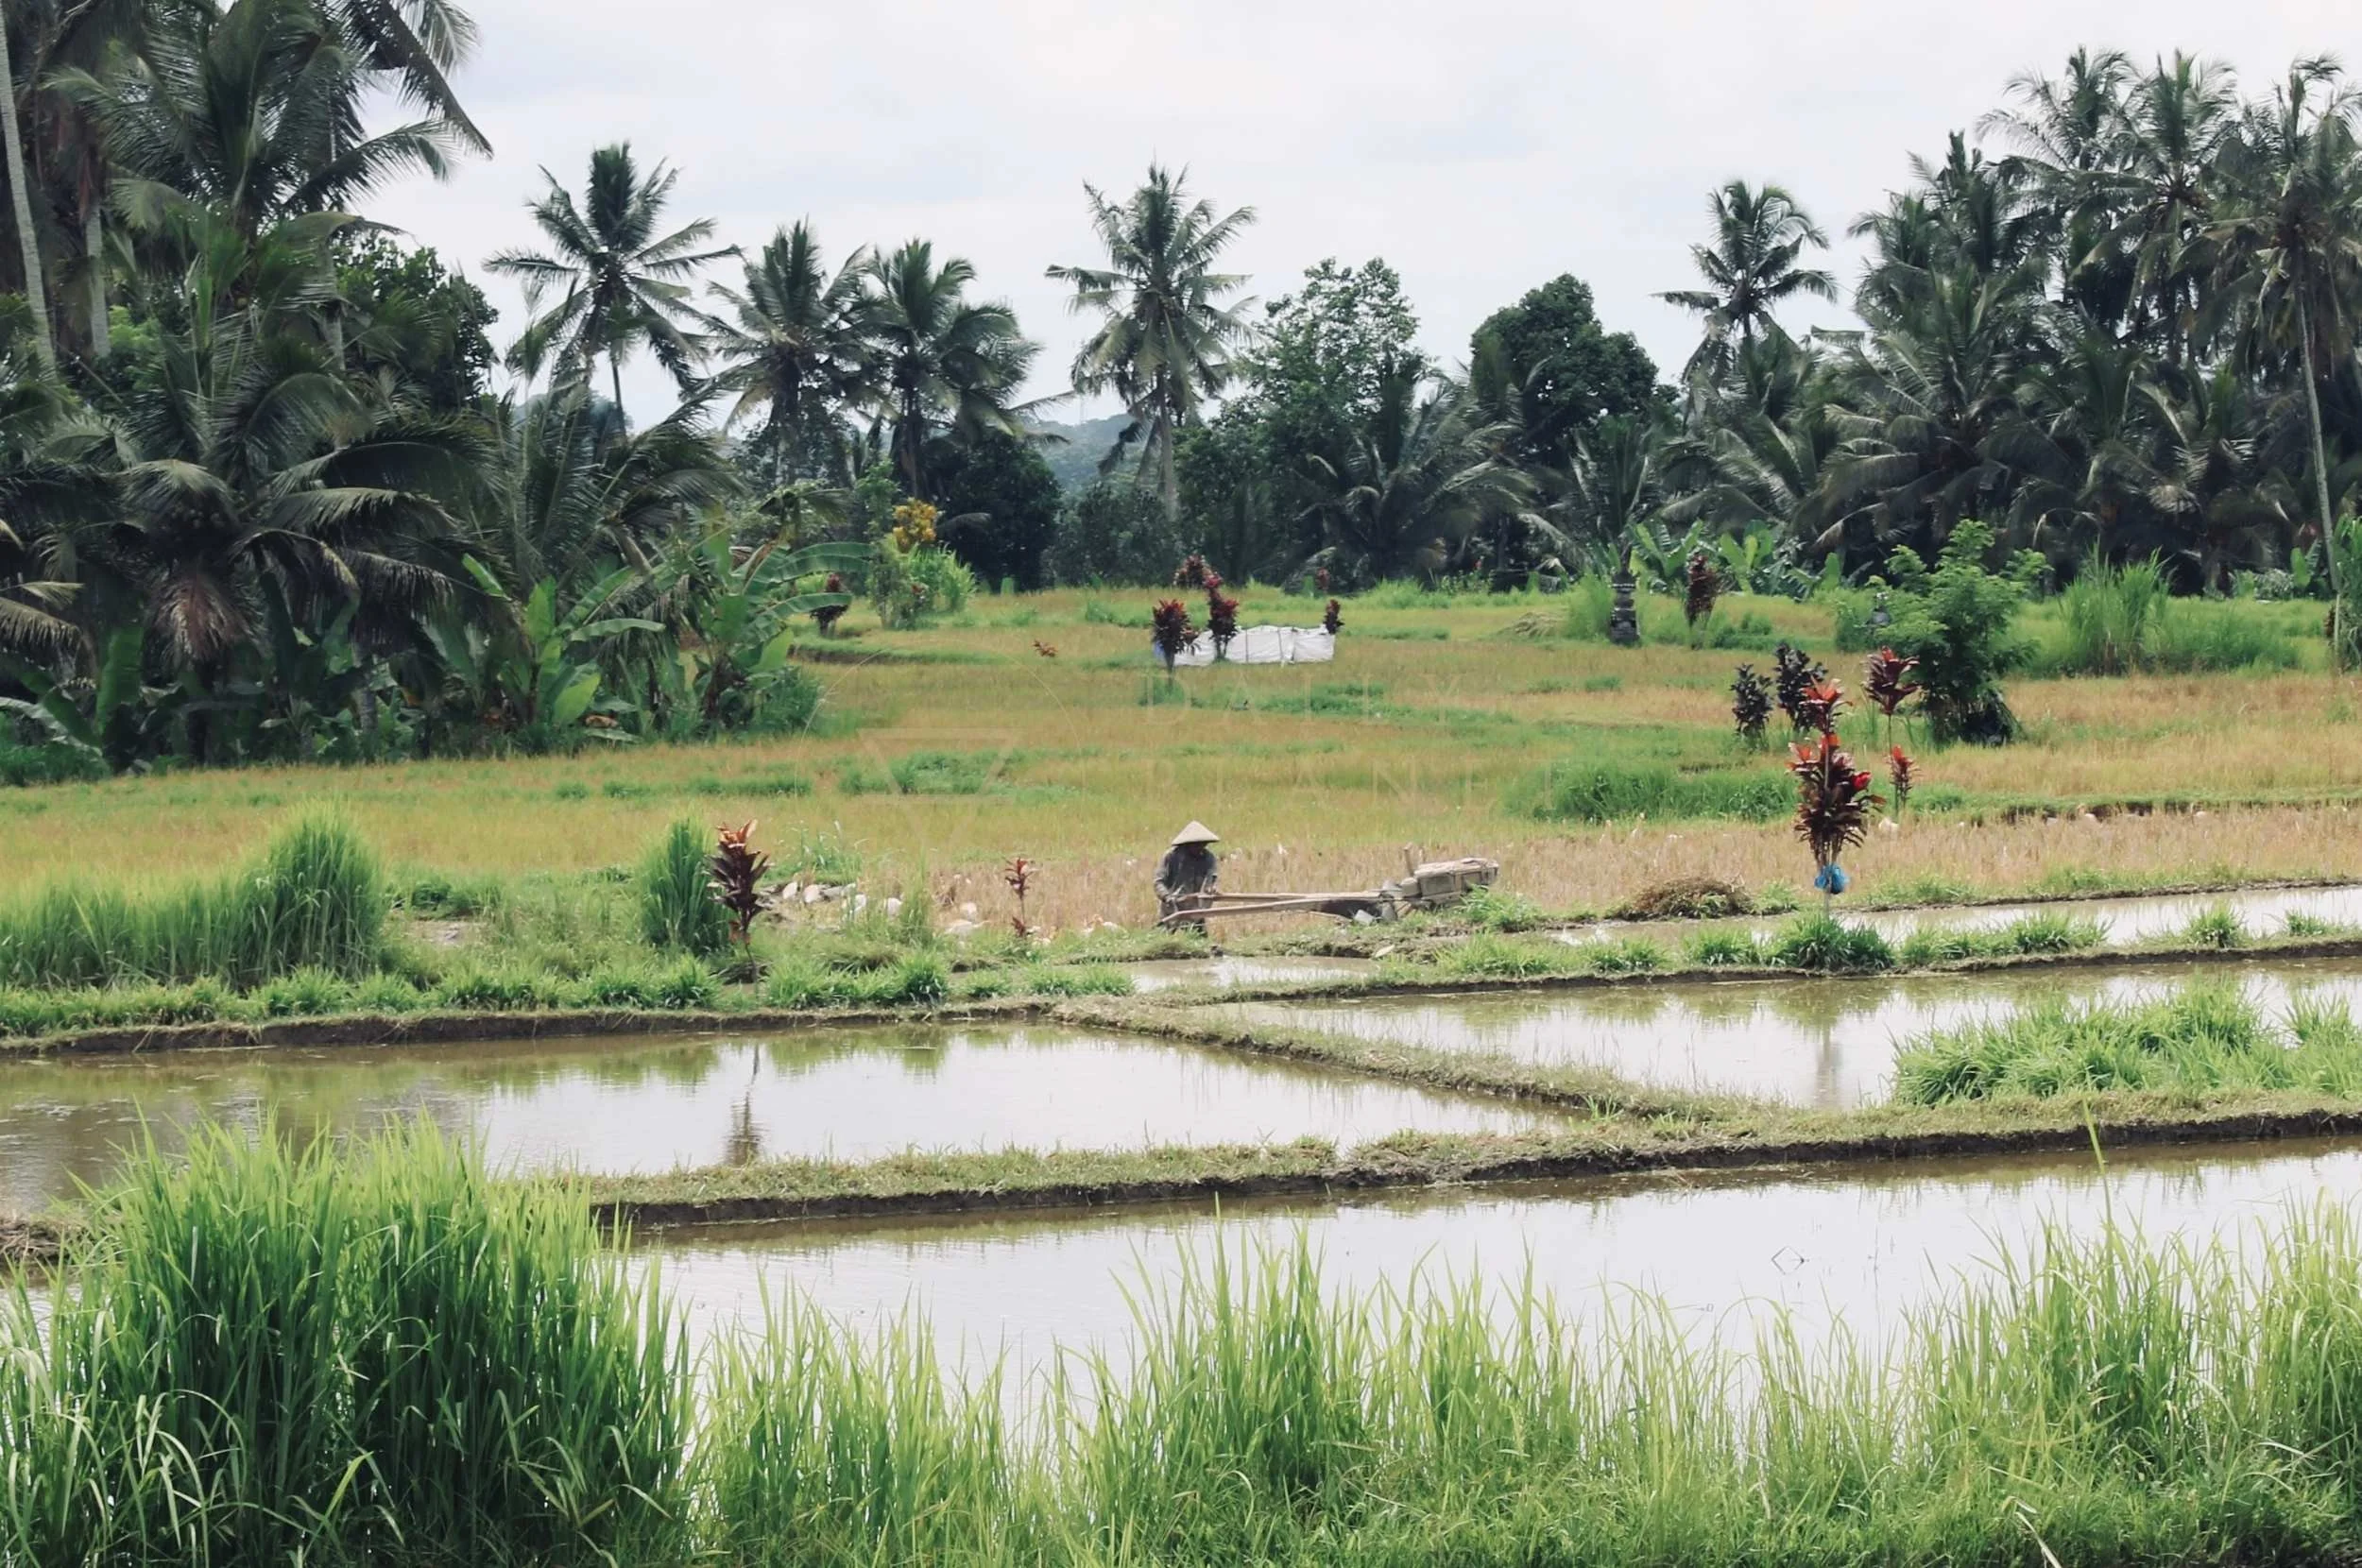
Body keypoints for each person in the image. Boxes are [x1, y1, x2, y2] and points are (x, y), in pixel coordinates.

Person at [1155, 821, 1221, 924]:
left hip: (1194, 909)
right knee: (1163, 937)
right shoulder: (1171, 857)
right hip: (1172, 908)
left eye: (1203, 844)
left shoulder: (1208, 858)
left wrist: (1210, 889)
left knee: (1199, 938)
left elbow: (1211, 879)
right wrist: (1167, 897)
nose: (1200, 848)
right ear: (1187, 844)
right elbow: (1158, 882)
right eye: (1196, 845)